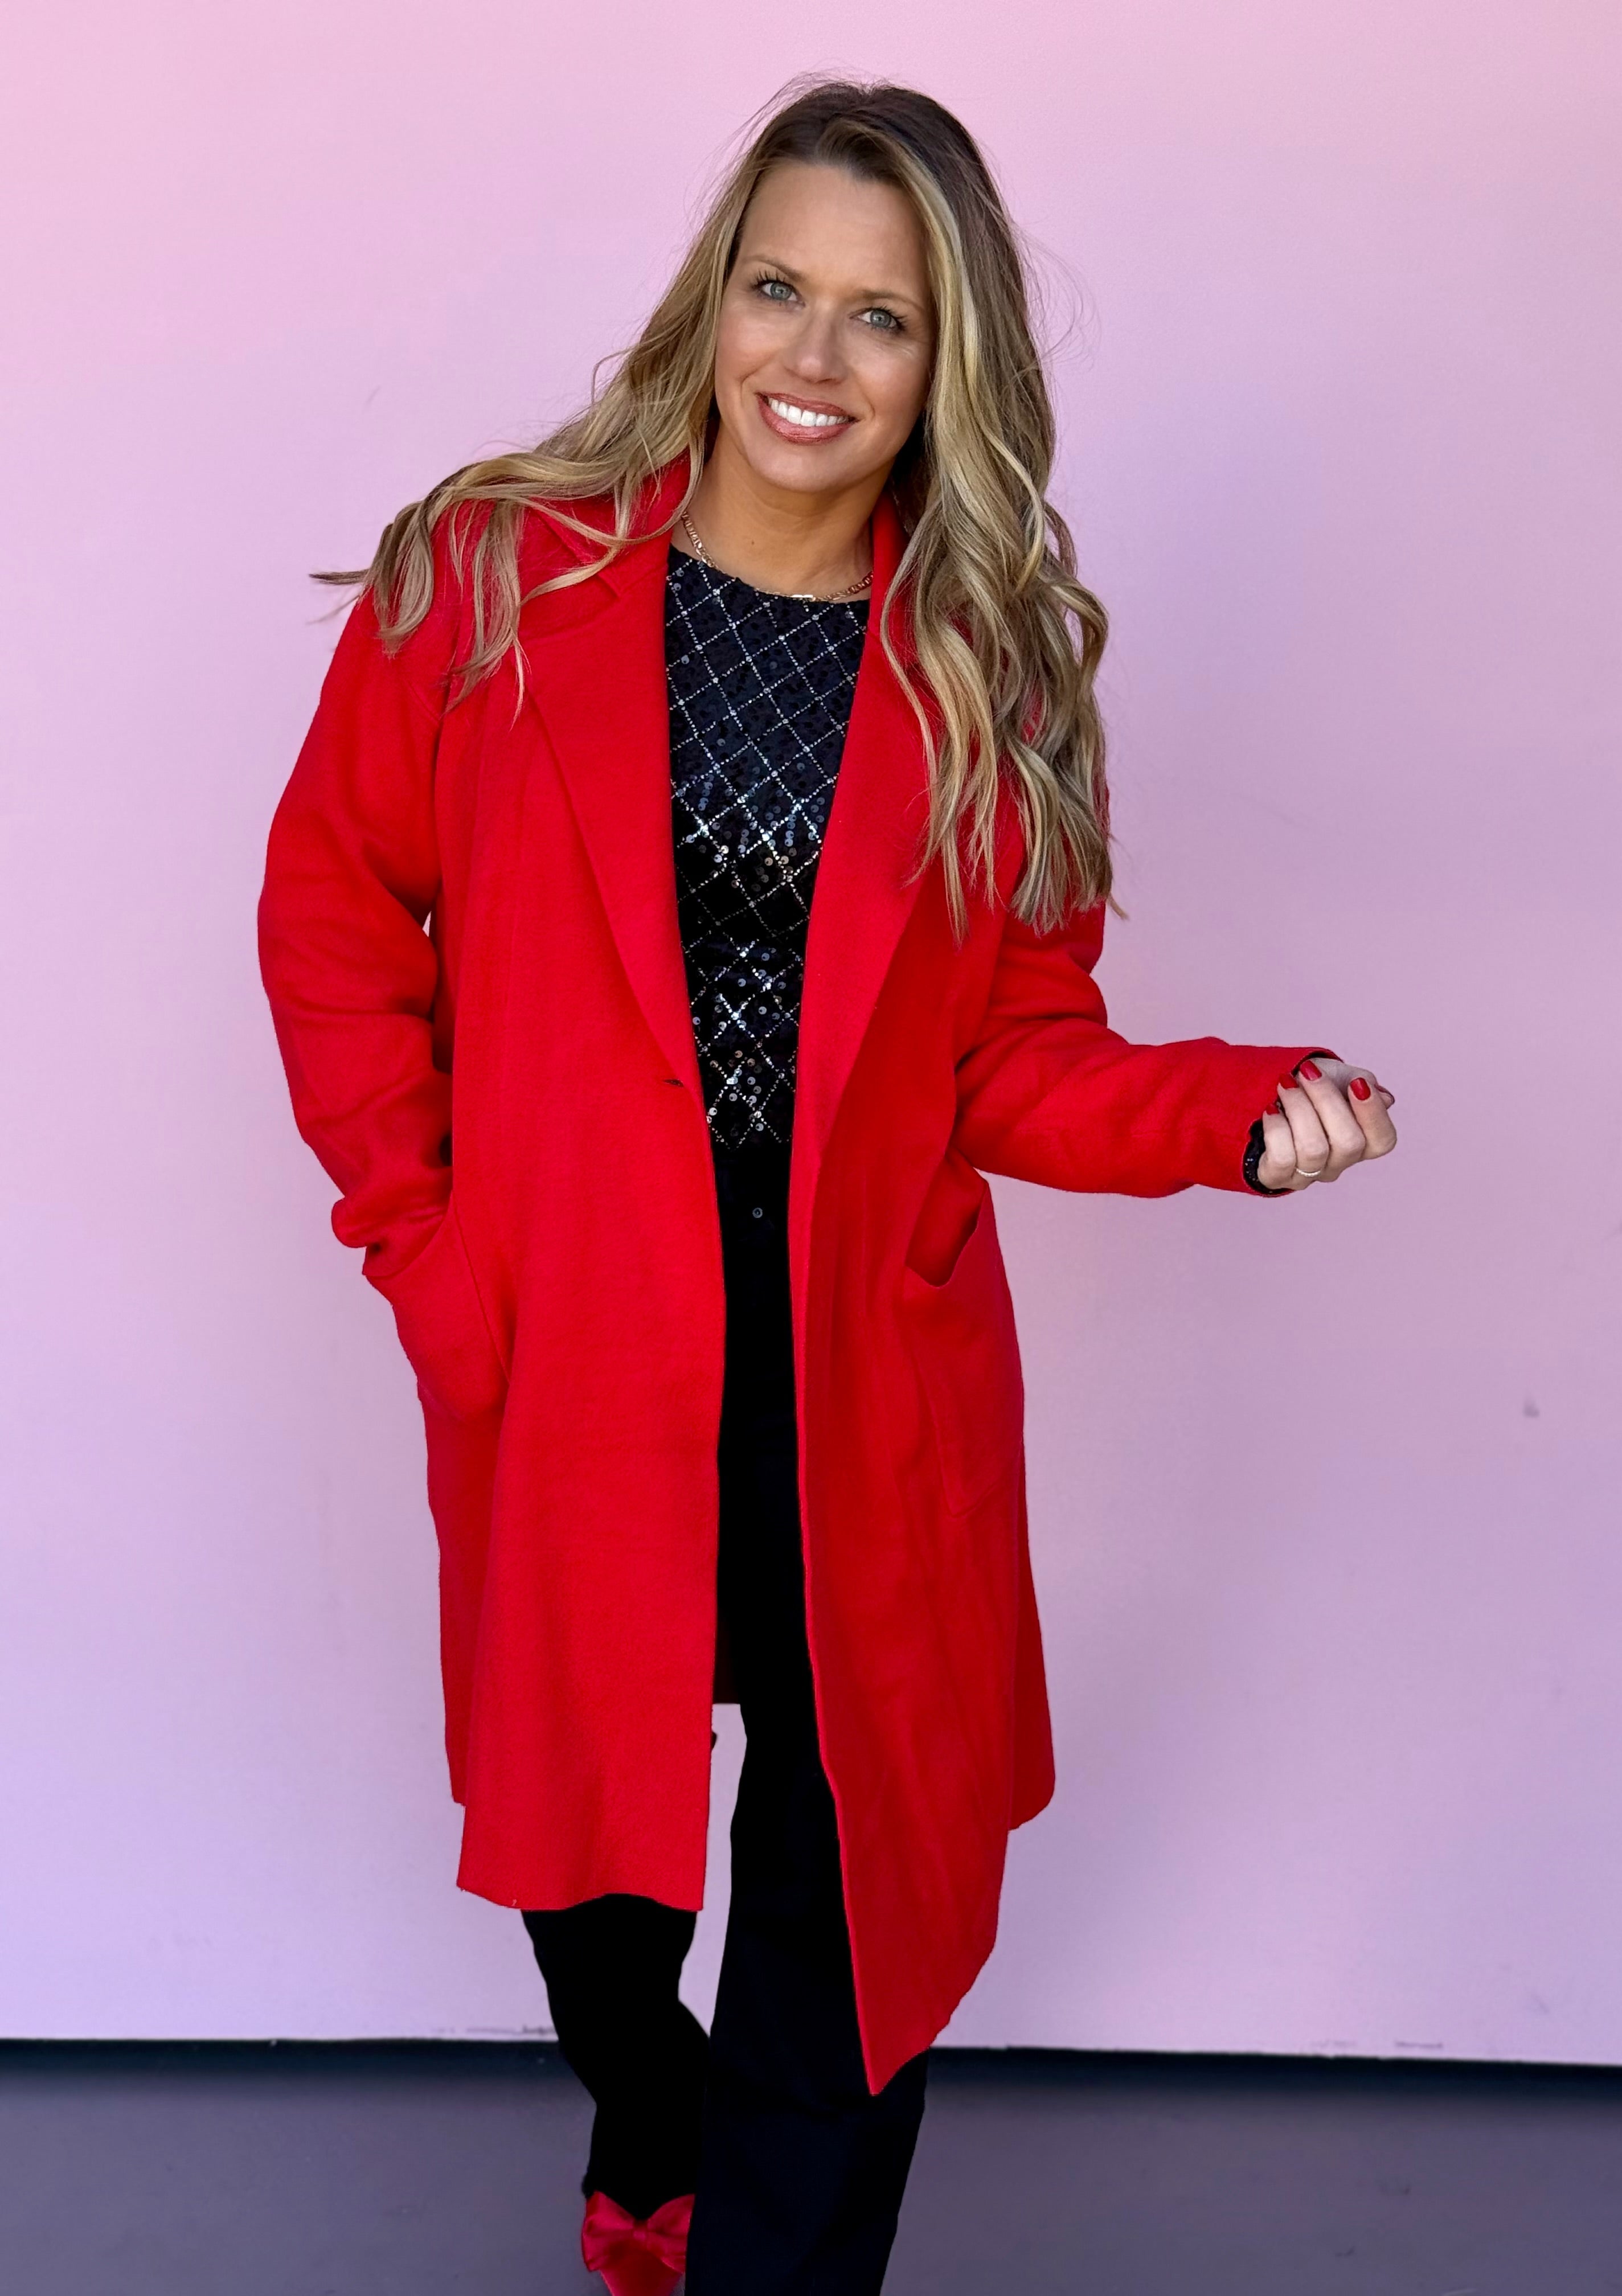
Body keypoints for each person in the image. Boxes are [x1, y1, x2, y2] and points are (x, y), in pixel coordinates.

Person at [258, 77, 1398, 2296]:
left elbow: (1019, 1060)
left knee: (842, 1890)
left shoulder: (990, 670)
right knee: (590, 1885)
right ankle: (652, 2122)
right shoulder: (489, 582)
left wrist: (1233, 1115)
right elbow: (333, 918)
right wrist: (426, 1249)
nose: (814, 354)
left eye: (883, 317)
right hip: (575, 1332)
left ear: (948, 364)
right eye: (778, 286)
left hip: (860, 1359)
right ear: (713, 297)